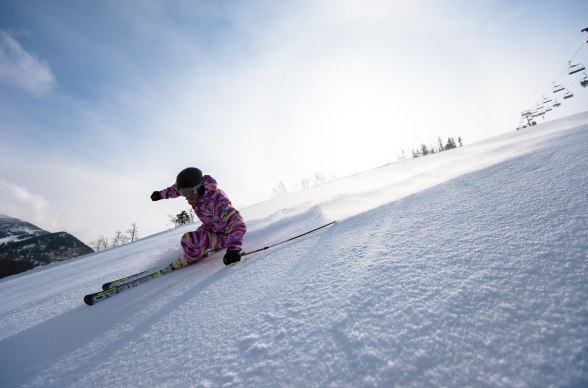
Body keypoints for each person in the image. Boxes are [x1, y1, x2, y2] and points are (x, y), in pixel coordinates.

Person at [151, 167, 246, 268]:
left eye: (189, 193)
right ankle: (200, 250)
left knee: (188, 240)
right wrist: (160, 195)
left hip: (225, 235)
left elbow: (237, 222)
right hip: (212, 227)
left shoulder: (216, 200)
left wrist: (233, 249)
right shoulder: (195, 191)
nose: (186, 197)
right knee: (196, 238)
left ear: (199, 188)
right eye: (183, 193)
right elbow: (175, 189)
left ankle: (191, 258)